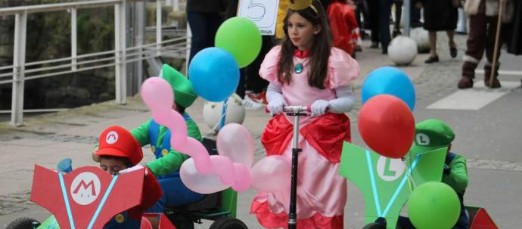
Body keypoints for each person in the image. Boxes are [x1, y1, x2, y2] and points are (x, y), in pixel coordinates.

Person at [250, 0, 359, 228]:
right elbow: (274, 88)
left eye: (301, 25)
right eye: (290, 25)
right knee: (286, 188)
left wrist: (328, 105)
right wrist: (276, 99)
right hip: (289, 130)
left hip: (321, 137)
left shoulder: (331, 59)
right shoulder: (281, 56)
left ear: (317, 28)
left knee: (321, 188)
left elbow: (348, 100)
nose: (294, 31)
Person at [130, 64, 204, 216]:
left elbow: (176, 158)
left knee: (153, 194)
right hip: (162, 178)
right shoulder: (155, 122)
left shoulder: (189, 129)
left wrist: (148, 168)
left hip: (188, 184)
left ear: (172, 105)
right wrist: (110, 145)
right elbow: (134, 137)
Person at [397, 119, 470, 229]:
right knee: (392, 222)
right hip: (420, 217)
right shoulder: (415, 159)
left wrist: (445, 170)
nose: (425, 156)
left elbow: (461, 182)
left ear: (448, 148)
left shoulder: (454, 160)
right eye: (422, 151)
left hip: (450, 220)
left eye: (431, 153)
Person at [95, 125, 163, 228]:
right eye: (104, 168)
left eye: (115, 170)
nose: (109, 173)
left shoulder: (132, 195)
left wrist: (144, 174)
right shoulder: (95, 188)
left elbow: (154, 194)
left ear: (128, 169)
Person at [458, 0, 513, 88]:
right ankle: (467, 74)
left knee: (495, 41)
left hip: (499, 6)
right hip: (479, 4)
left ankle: (491, 74)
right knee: (475, 37)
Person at [186, 0, 224, 65]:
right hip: (196, 8)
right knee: (199, 43)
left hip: (217, 10)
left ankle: (209, 72)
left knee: (213, 46)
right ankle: (193, 73)